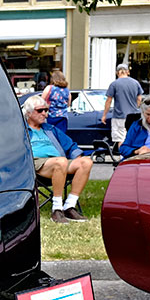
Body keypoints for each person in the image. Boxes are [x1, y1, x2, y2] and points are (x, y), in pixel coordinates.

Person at [23, 95, 93, 224]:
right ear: (29, 113)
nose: (45, 114)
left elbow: (70, 145)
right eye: (40, 111)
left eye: (46, 110)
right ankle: (56, 209)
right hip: (35, 164)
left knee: (86, 162)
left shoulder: (50, 129)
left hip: (58, 163)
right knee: (61, 161)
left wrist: (77, 158)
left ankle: (69, 207)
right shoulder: (22, 131)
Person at [102, 63, 143, 148]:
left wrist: (104, 115)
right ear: (127, 72)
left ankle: (123, 157)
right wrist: (136, 107)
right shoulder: (135, 83)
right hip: (133, 115)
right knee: (132, 137)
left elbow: (108, 101)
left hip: (119, 116)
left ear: (117, 73)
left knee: (121, 139)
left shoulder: (114, 84)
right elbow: (139, 98)